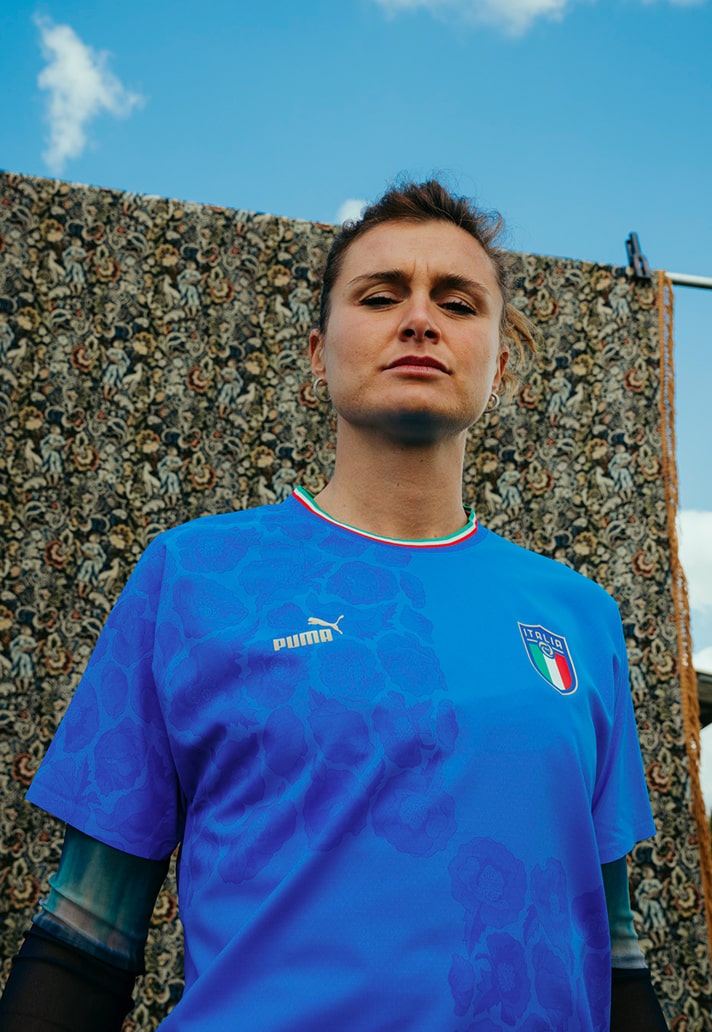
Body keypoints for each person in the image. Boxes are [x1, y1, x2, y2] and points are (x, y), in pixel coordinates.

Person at [0, 180, 668, 1031]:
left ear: (499, 366)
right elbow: (85, 934)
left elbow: (616, 952)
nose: (419, 319)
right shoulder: (191, 577)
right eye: (381, 296)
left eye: (457, 302)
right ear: (318, 354)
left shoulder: (580, 617)